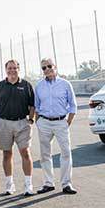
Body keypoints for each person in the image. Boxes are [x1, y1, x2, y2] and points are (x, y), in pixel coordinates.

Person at [0, 59, 36, 196]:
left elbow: (32, 105)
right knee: (7, 154)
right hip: (4, 123)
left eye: (14, 68)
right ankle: (9, 184)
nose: (12, 70)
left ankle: (28, 185)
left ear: (18, 69)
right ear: (6, 70)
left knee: (25, 152)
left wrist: (31, 119)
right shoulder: (0, 86)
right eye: (9, 68)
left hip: (22, 123)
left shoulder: (26, 85)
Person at [34, 58, 78, 195]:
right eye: (44, 68)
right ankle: (48, 183)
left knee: (66, 152)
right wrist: (38, 122)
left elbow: (73, 105)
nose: (47, 69)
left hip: (61, 122)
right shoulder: (39, 86)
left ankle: (66, 184)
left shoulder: (65, 84)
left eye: (49, 66)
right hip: (44, 122)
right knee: (45, 154)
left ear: (55, 66)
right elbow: (36, 106)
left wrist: (67, 122)